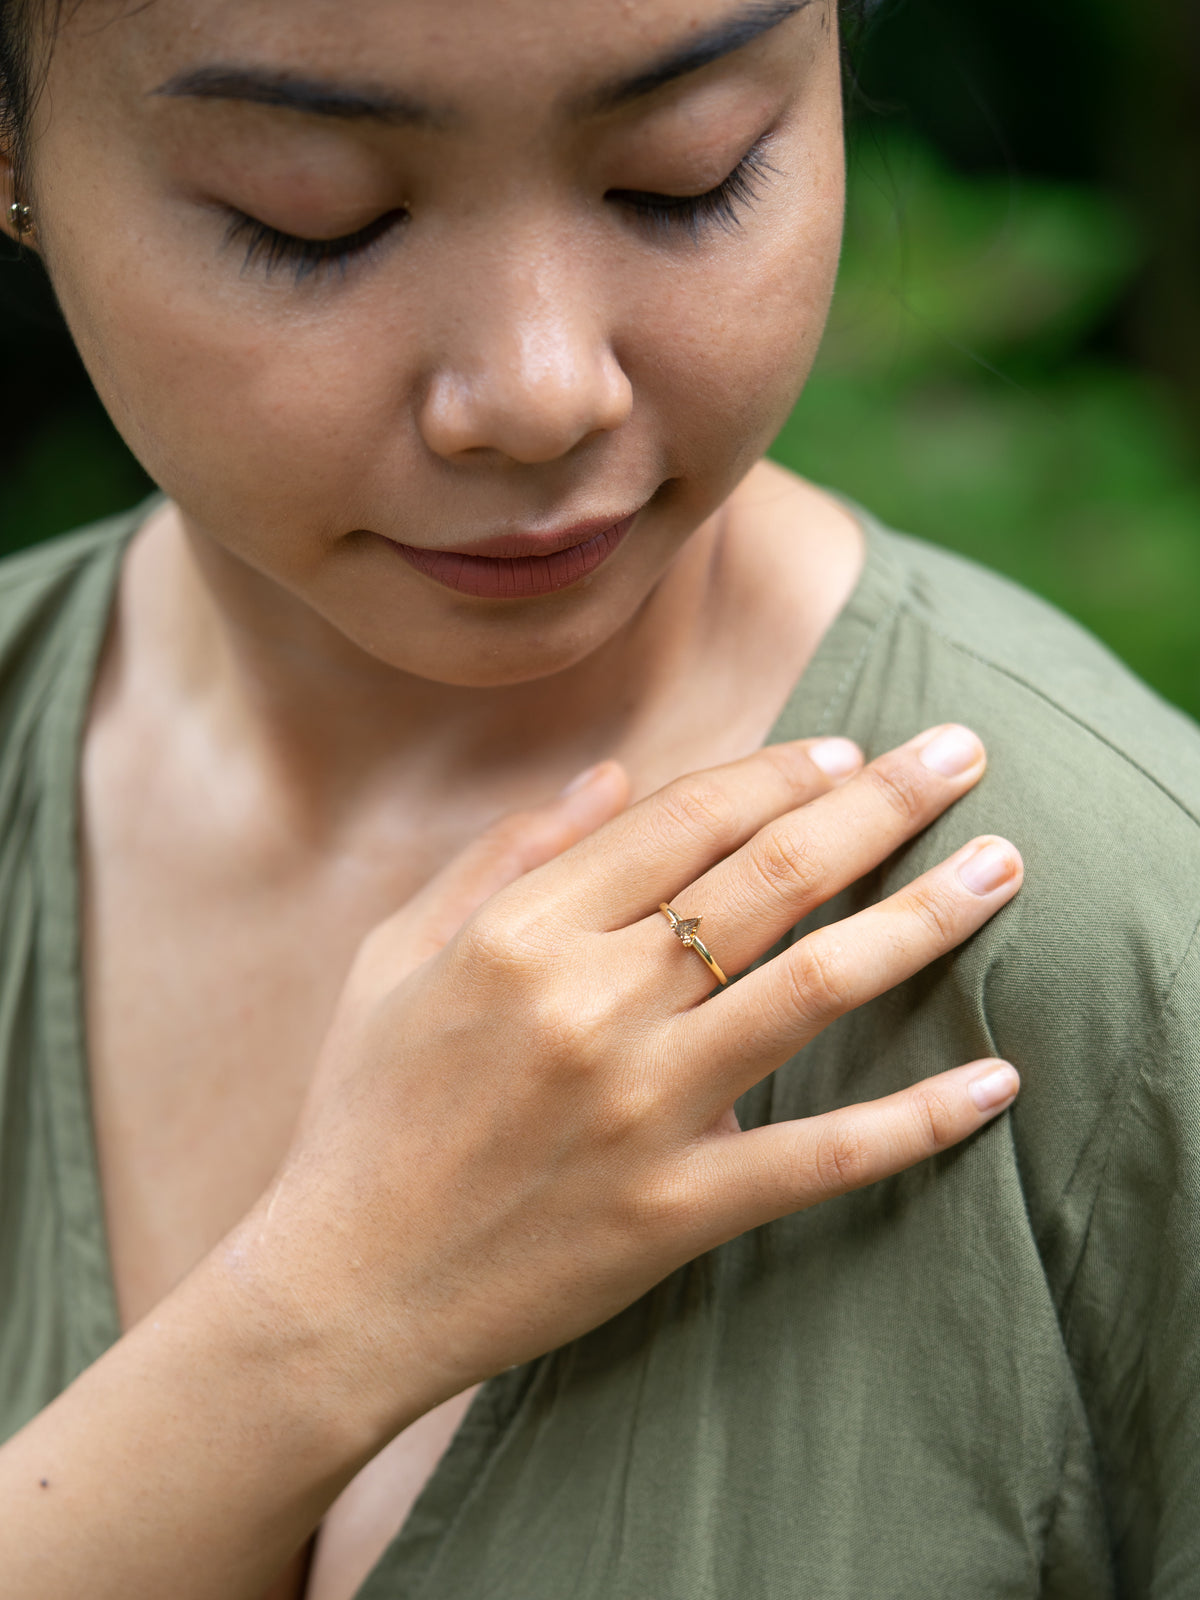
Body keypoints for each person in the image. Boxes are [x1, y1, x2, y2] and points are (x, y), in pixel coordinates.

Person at [0, 0, 1196, 1596]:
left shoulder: (1118, 935)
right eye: (314, 215)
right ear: (14, 154)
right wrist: (316, 1324)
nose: (542, 389)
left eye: (682, 178)